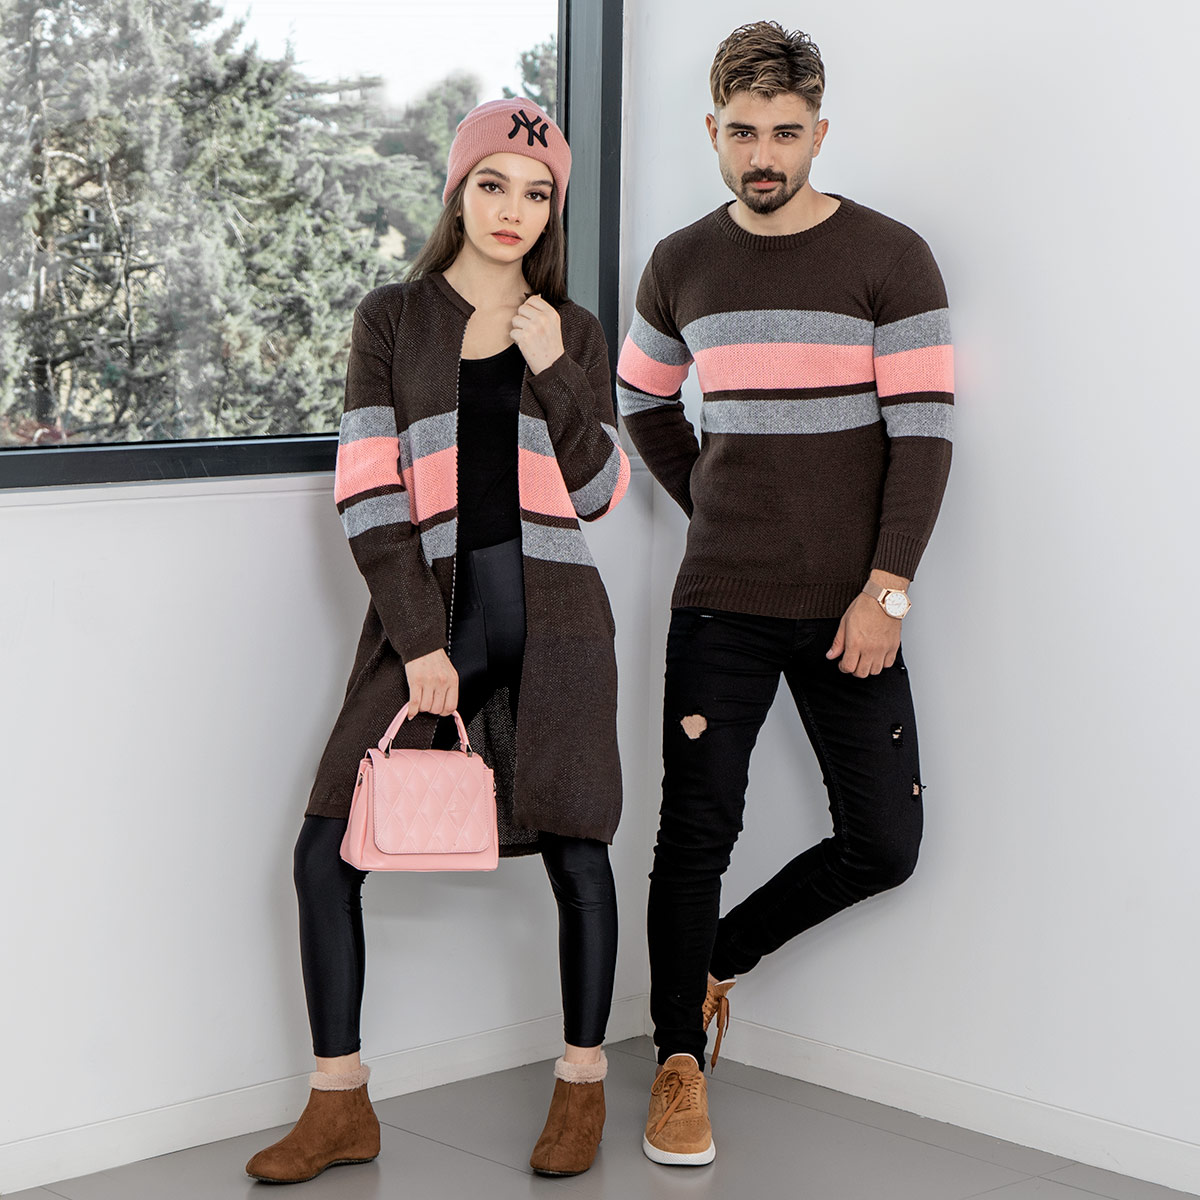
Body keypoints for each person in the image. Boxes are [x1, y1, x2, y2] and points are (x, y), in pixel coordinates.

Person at [246, 98, 630, 1184]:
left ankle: (583, 1087)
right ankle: (340, 1105)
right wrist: (420, 642)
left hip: (557, 626)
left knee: (578, 850)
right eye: (493, 184)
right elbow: (369, 496)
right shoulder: (394, 320)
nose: (514, 210)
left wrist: (557, 371)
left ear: (552, 210)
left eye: (538, 193)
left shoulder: (572, 329)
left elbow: (600, 495)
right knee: (326, 849)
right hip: (431, 625)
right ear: (460, 191)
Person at [617, 22, 954, 1166]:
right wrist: (708, 501)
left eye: (785, 132)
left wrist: (887, 590)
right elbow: (643, 402)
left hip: (852, 604)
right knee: (694, 834)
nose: (763, 154)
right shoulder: (679, 263)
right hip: (719, 599)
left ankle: (717, 958)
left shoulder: (891, 256)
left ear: (819, 131)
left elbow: (925, 432)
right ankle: (676, 1059)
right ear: (712, 131)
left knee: (886, 843)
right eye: (743, 132)